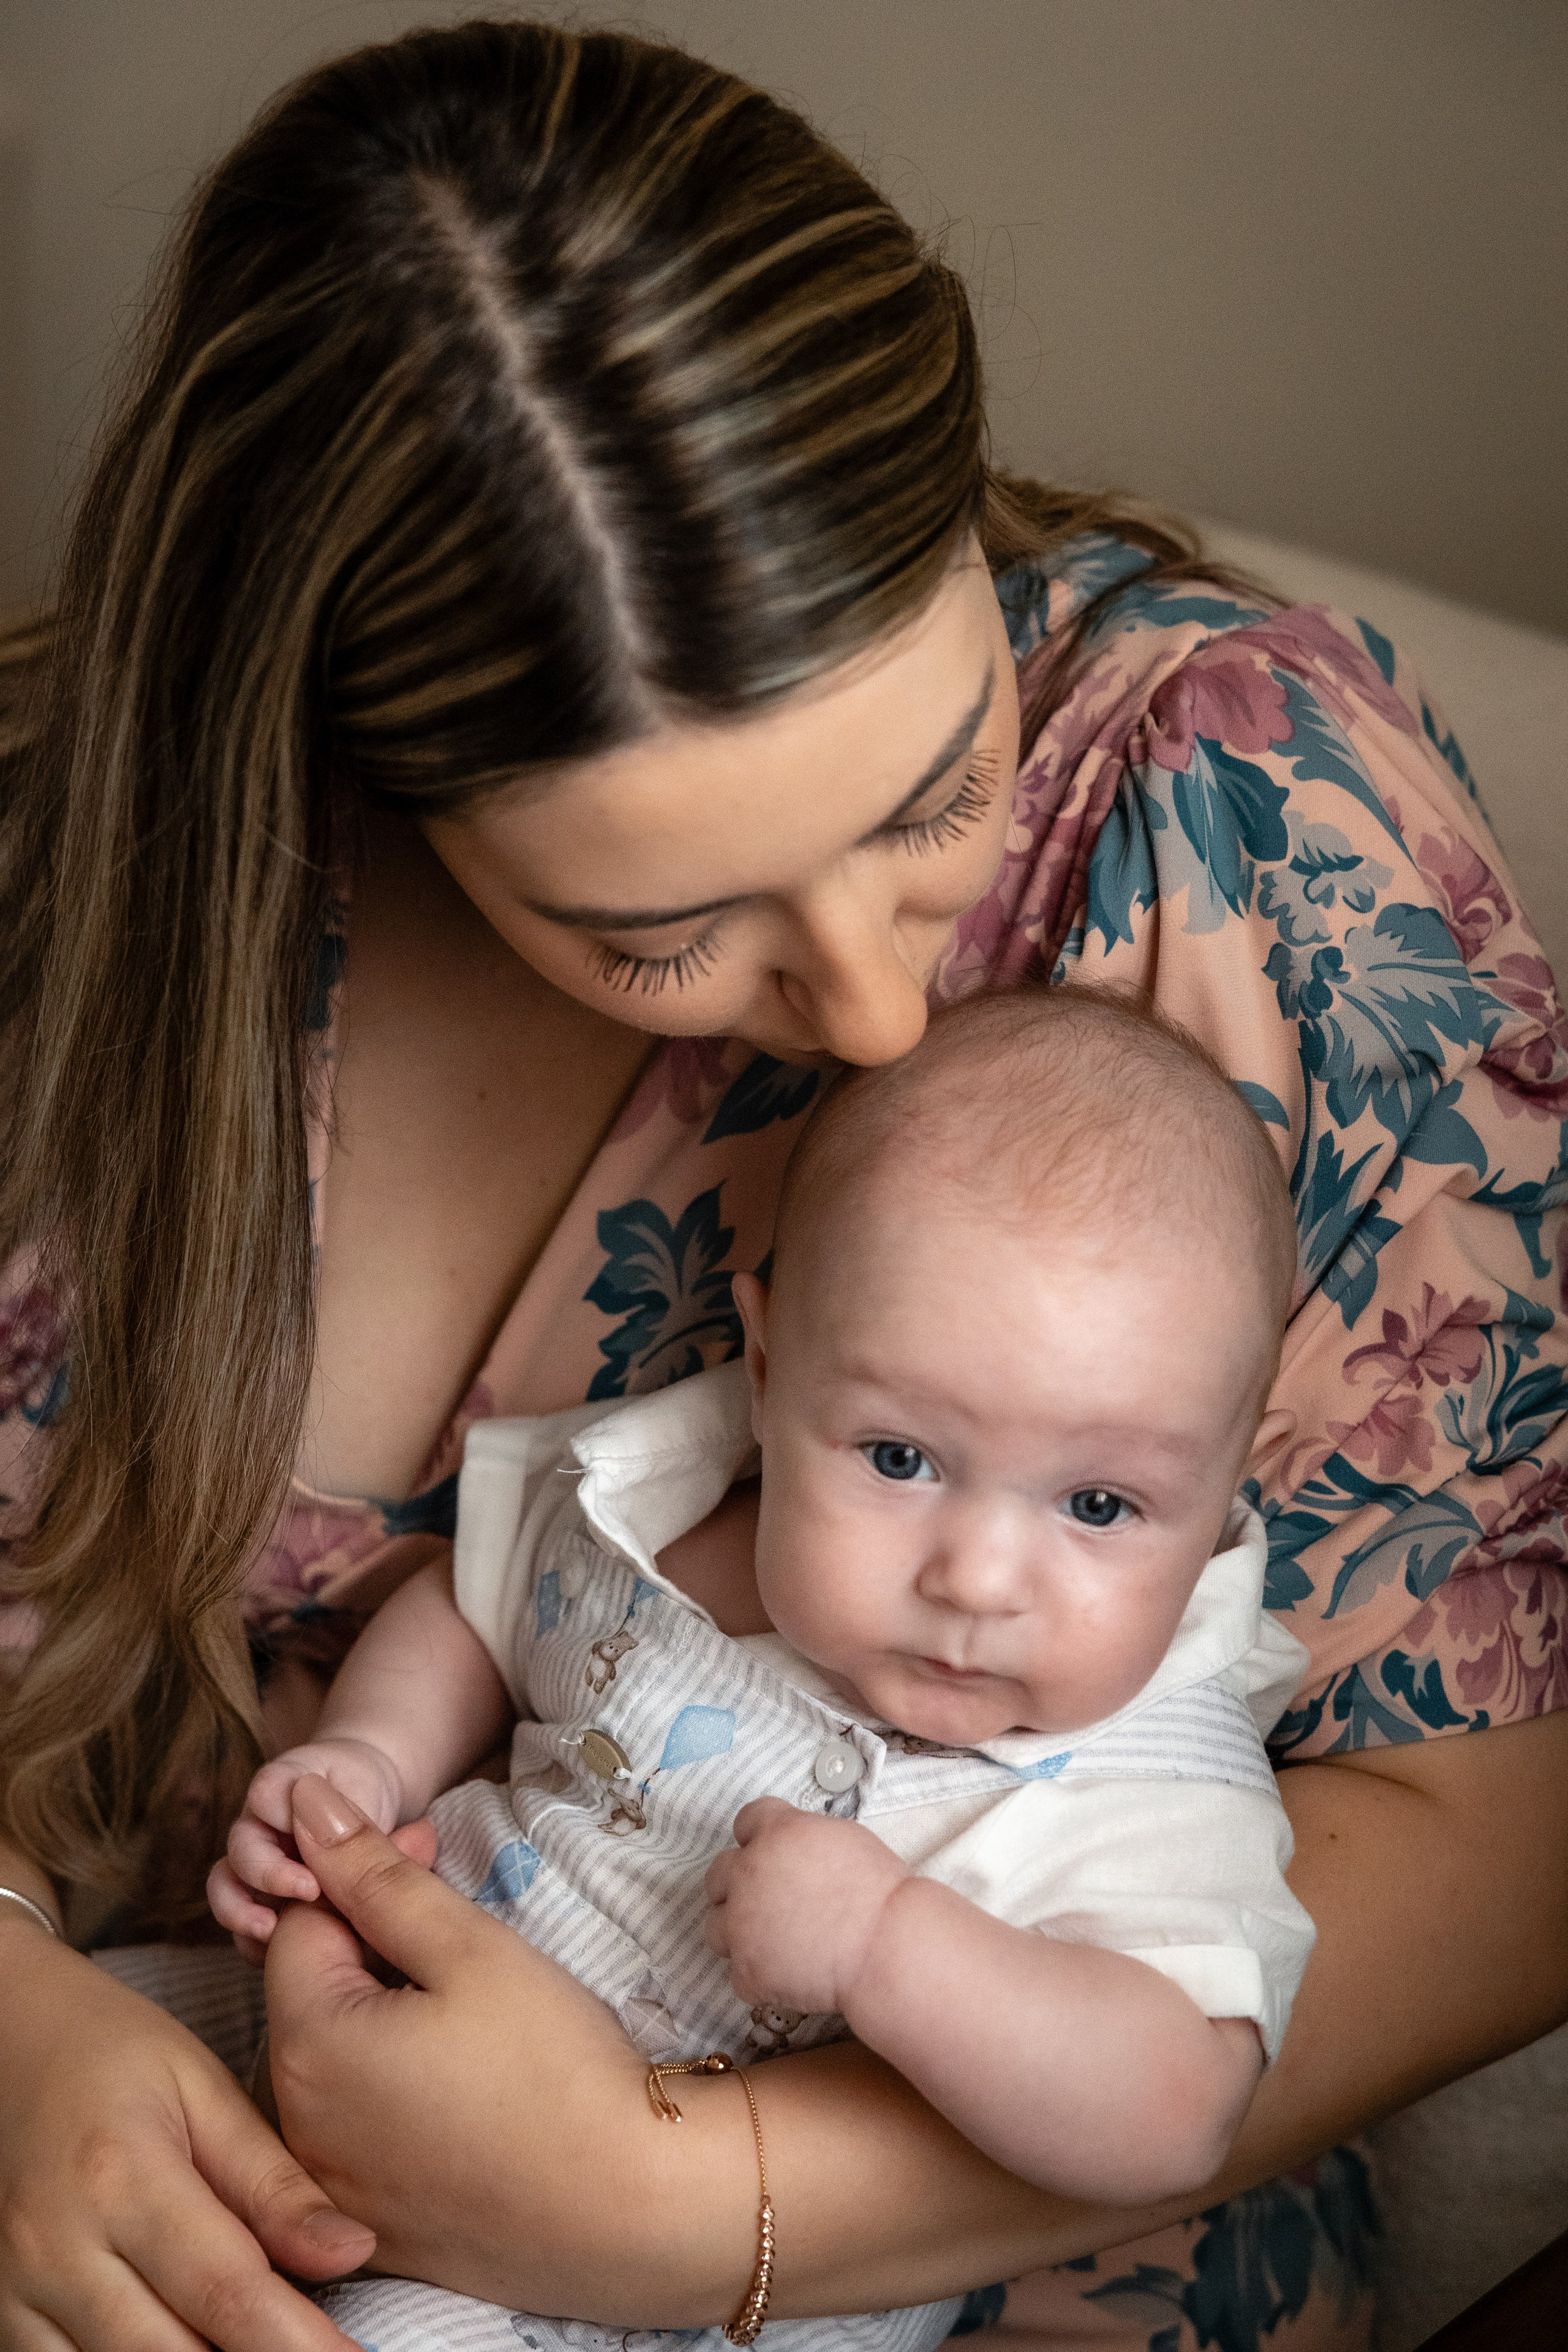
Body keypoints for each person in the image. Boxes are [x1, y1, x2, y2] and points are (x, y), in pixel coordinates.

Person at [0, 17, 1564, 2352]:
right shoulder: (69, 897)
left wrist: (682, 2209)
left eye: (932, 791)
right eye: (660, 931)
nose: (869, 1023)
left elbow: (1511, 1822)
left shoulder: (1239, 835)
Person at [212, 987, 1317, 2350]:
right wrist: (367, 1757)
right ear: (773, 1354)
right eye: (898, 1459)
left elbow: (1171, 2109)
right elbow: (475, 1606)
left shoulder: (1152, 1778)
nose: (974, 1579)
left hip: (623, 2302)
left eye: (1097, 1506)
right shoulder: (665, 1521)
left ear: (1221, 1478)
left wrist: (883, 1949)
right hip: (344, 2032)